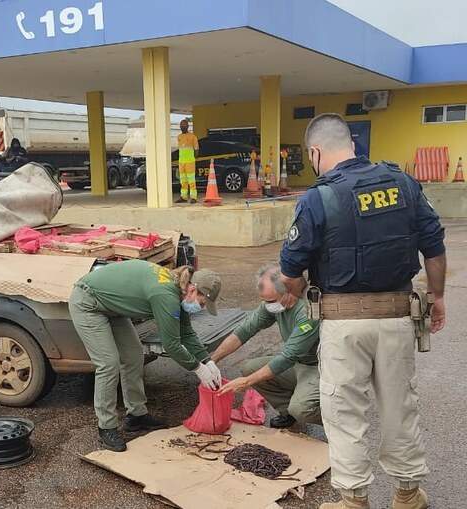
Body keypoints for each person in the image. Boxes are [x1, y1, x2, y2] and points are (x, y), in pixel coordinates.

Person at [279, 113, 446, 509]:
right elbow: (435, 246)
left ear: (316, 152)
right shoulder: (404, 183)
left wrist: (302, 291)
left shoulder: (317, 198)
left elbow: (290, 272)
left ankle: (353, 501)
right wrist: (438, 297)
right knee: (399, 407)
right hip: (398, 317)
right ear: (352, 145)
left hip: (343, 324)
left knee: (344, 412)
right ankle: (407, 496)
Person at [69, 261, 222, 452]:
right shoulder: (165, 295)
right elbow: (172, 344)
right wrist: (198, 369)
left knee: (133, 357)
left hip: (112, 308)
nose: (200, 308)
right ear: (193, 289)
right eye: (202, 303)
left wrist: (208, 360)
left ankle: (137, 416)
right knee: (108, 363)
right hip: (88, 302)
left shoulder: (179, 290)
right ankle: (106, 427)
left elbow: (186, 333)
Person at [212, 263, 321, 428]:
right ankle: (288, 412)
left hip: (319, 367)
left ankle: (337, 422)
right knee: (250, 368)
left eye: (271, 300)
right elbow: (243, 331)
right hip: (297, 363)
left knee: (302, 408)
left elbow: (287, 357)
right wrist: (211, 361)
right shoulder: (274, 304)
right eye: (265, 301)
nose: (267, 305)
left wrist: (246, 382)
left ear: (289, 290)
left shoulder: (308, 310)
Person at [176, 119, 200, 204]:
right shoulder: (179, 137)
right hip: (181, 162)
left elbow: (196, 150)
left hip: (190, 162)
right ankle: (184, 197)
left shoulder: (192, 137)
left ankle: (193, 197)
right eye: (181, 125)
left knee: (191, 181)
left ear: (187, 126)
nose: (182, 127)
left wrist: (193, 157)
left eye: (184, 125)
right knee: (183, 181)